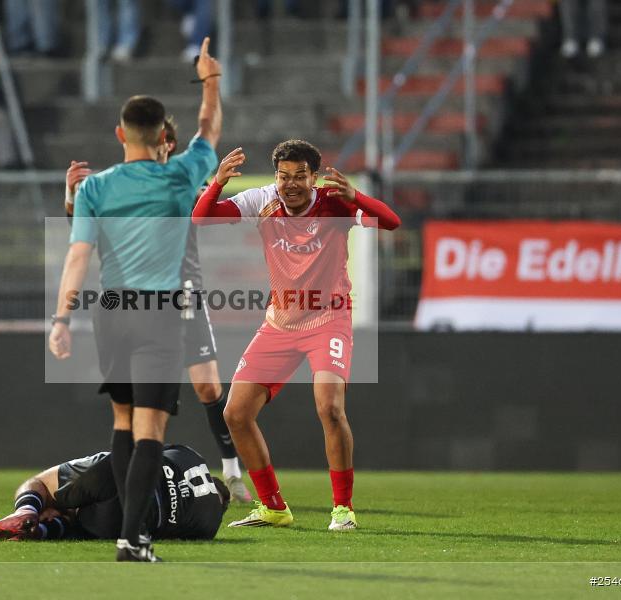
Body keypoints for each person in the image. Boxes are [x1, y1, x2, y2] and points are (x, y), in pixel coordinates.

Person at [48, 37, 222, 562]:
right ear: (162, 135)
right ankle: (132, 538)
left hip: (110, 313)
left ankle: (131, 532)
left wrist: (60, 318)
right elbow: (209, 128)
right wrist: (209, 79)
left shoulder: (96, 188)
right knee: (151, 429)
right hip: (159, 314)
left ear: (120, 134)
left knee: (122, 422)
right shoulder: (181, 174)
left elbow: (79, 256)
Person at [191, 140, 401, 530]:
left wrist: (357, 196)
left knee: (330, 407)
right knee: (235, 414)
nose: (290, 184)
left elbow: (391, 222)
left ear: (314, 177)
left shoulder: (334, 204)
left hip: (329, 318)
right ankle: (272, 507)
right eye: (283, 176)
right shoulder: (262, 200)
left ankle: (343, 509)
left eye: (299, 176)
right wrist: (217, 184)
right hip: (280, 324)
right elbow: (201, 219)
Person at [63, 119, 253, 505]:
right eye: (158, 140)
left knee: (208, 387)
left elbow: (205, 211)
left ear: (170, 145)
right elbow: (86, 230)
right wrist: (71, 198)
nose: (162, 147)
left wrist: (214, 182)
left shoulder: (183, 183)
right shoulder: (123, 188)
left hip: (185, 296)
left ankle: (232, 471)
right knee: (134, 401)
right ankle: (132, 482)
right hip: (139, 304)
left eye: (167, 142)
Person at [0, 444, 230, 542]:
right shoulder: (209, 526)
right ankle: (42, 529)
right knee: (81, 525)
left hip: (116, 473)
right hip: (122, 523)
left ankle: (27, 510)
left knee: (42, 484)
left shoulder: (193, 457)